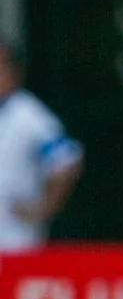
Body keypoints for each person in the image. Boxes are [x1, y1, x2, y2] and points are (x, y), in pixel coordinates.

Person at [0, 40, 82, 251]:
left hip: (14, 244)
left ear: (14, 71)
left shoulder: (28, 115)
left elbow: (66, 160)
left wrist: (43, 208)